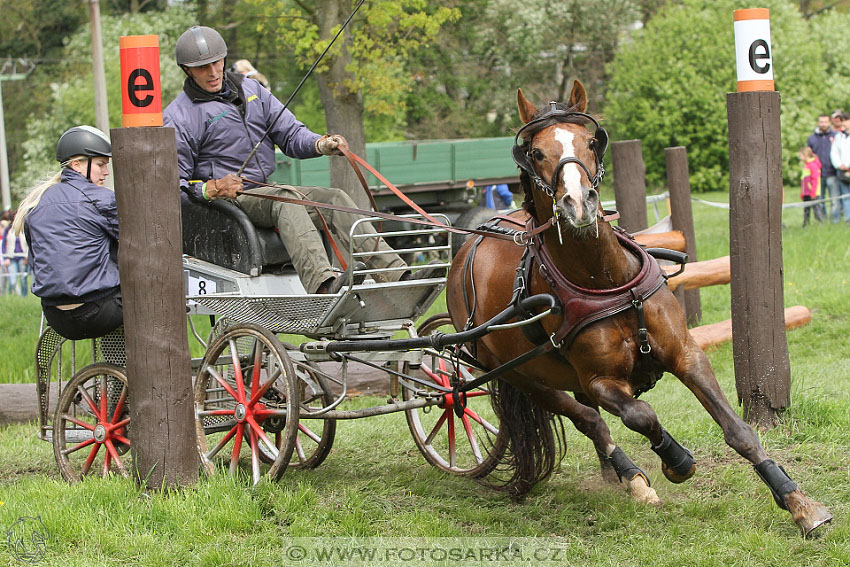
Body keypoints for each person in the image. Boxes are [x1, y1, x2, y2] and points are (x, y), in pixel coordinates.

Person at [163, 26, 439, 294]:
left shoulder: (253, 90)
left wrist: (321, 144)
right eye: (202, 67)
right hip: (228, 201)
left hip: (266, 191)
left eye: (216, 62)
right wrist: (212, 188)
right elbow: (174, 186)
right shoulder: (180, 116)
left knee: (334, 198)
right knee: (287, 200)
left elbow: (292, 134)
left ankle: (400, 276)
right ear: (187, 70)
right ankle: (323, 284)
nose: (212, 72)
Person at [13, 126, 122, 340]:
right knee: (158, 300)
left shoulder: (37, 203)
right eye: (101, 164)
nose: (106, 172)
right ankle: (143, 369)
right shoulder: (101, 199)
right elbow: (137, 242)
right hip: (97, 312)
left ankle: (114, 365)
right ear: (77, 164)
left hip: (55, 317)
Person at [807, 114, 836, 220]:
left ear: (829, 123)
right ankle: (822, 220)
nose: (823, 124)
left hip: (832, 173)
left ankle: (835, 220)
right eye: (821, 122)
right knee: (820, 199)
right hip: (817, 174)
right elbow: (808, 155)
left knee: (834, 199)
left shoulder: (836, 136)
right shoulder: (812, 138)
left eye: (825, 122)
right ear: (818, 123)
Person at [829, 112, 850, 224]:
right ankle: (848, 219)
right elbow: (834, 153)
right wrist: (839, 165)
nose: (845, 123)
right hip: (842, 171)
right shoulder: (838, 137)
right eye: (843, 121)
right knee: (846, 196)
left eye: (846, 120)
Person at [2, 211, 29, 296]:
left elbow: (29, 242)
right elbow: (3, 244)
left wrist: (27, 257)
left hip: (22, 257)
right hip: (11, 258)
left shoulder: (24, 228)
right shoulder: (8, 230)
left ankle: (24, 298)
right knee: (12, 281)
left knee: (23, 279)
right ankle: (14, 296)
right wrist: (5, 258)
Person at [799, 146, 824, 227]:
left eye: (801, 155)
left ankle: (821, 222)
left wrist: (813, 192)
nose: (800, 157)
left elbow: (815, 180)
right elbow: (804, 181)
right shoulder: (806, 165)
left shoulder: (813, 165)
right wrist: (802, 193)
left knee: (816, 208)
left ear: (806, 155)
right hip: (806, 193)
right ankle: (805, 224)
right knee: (806, 210)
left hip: (812, 193)